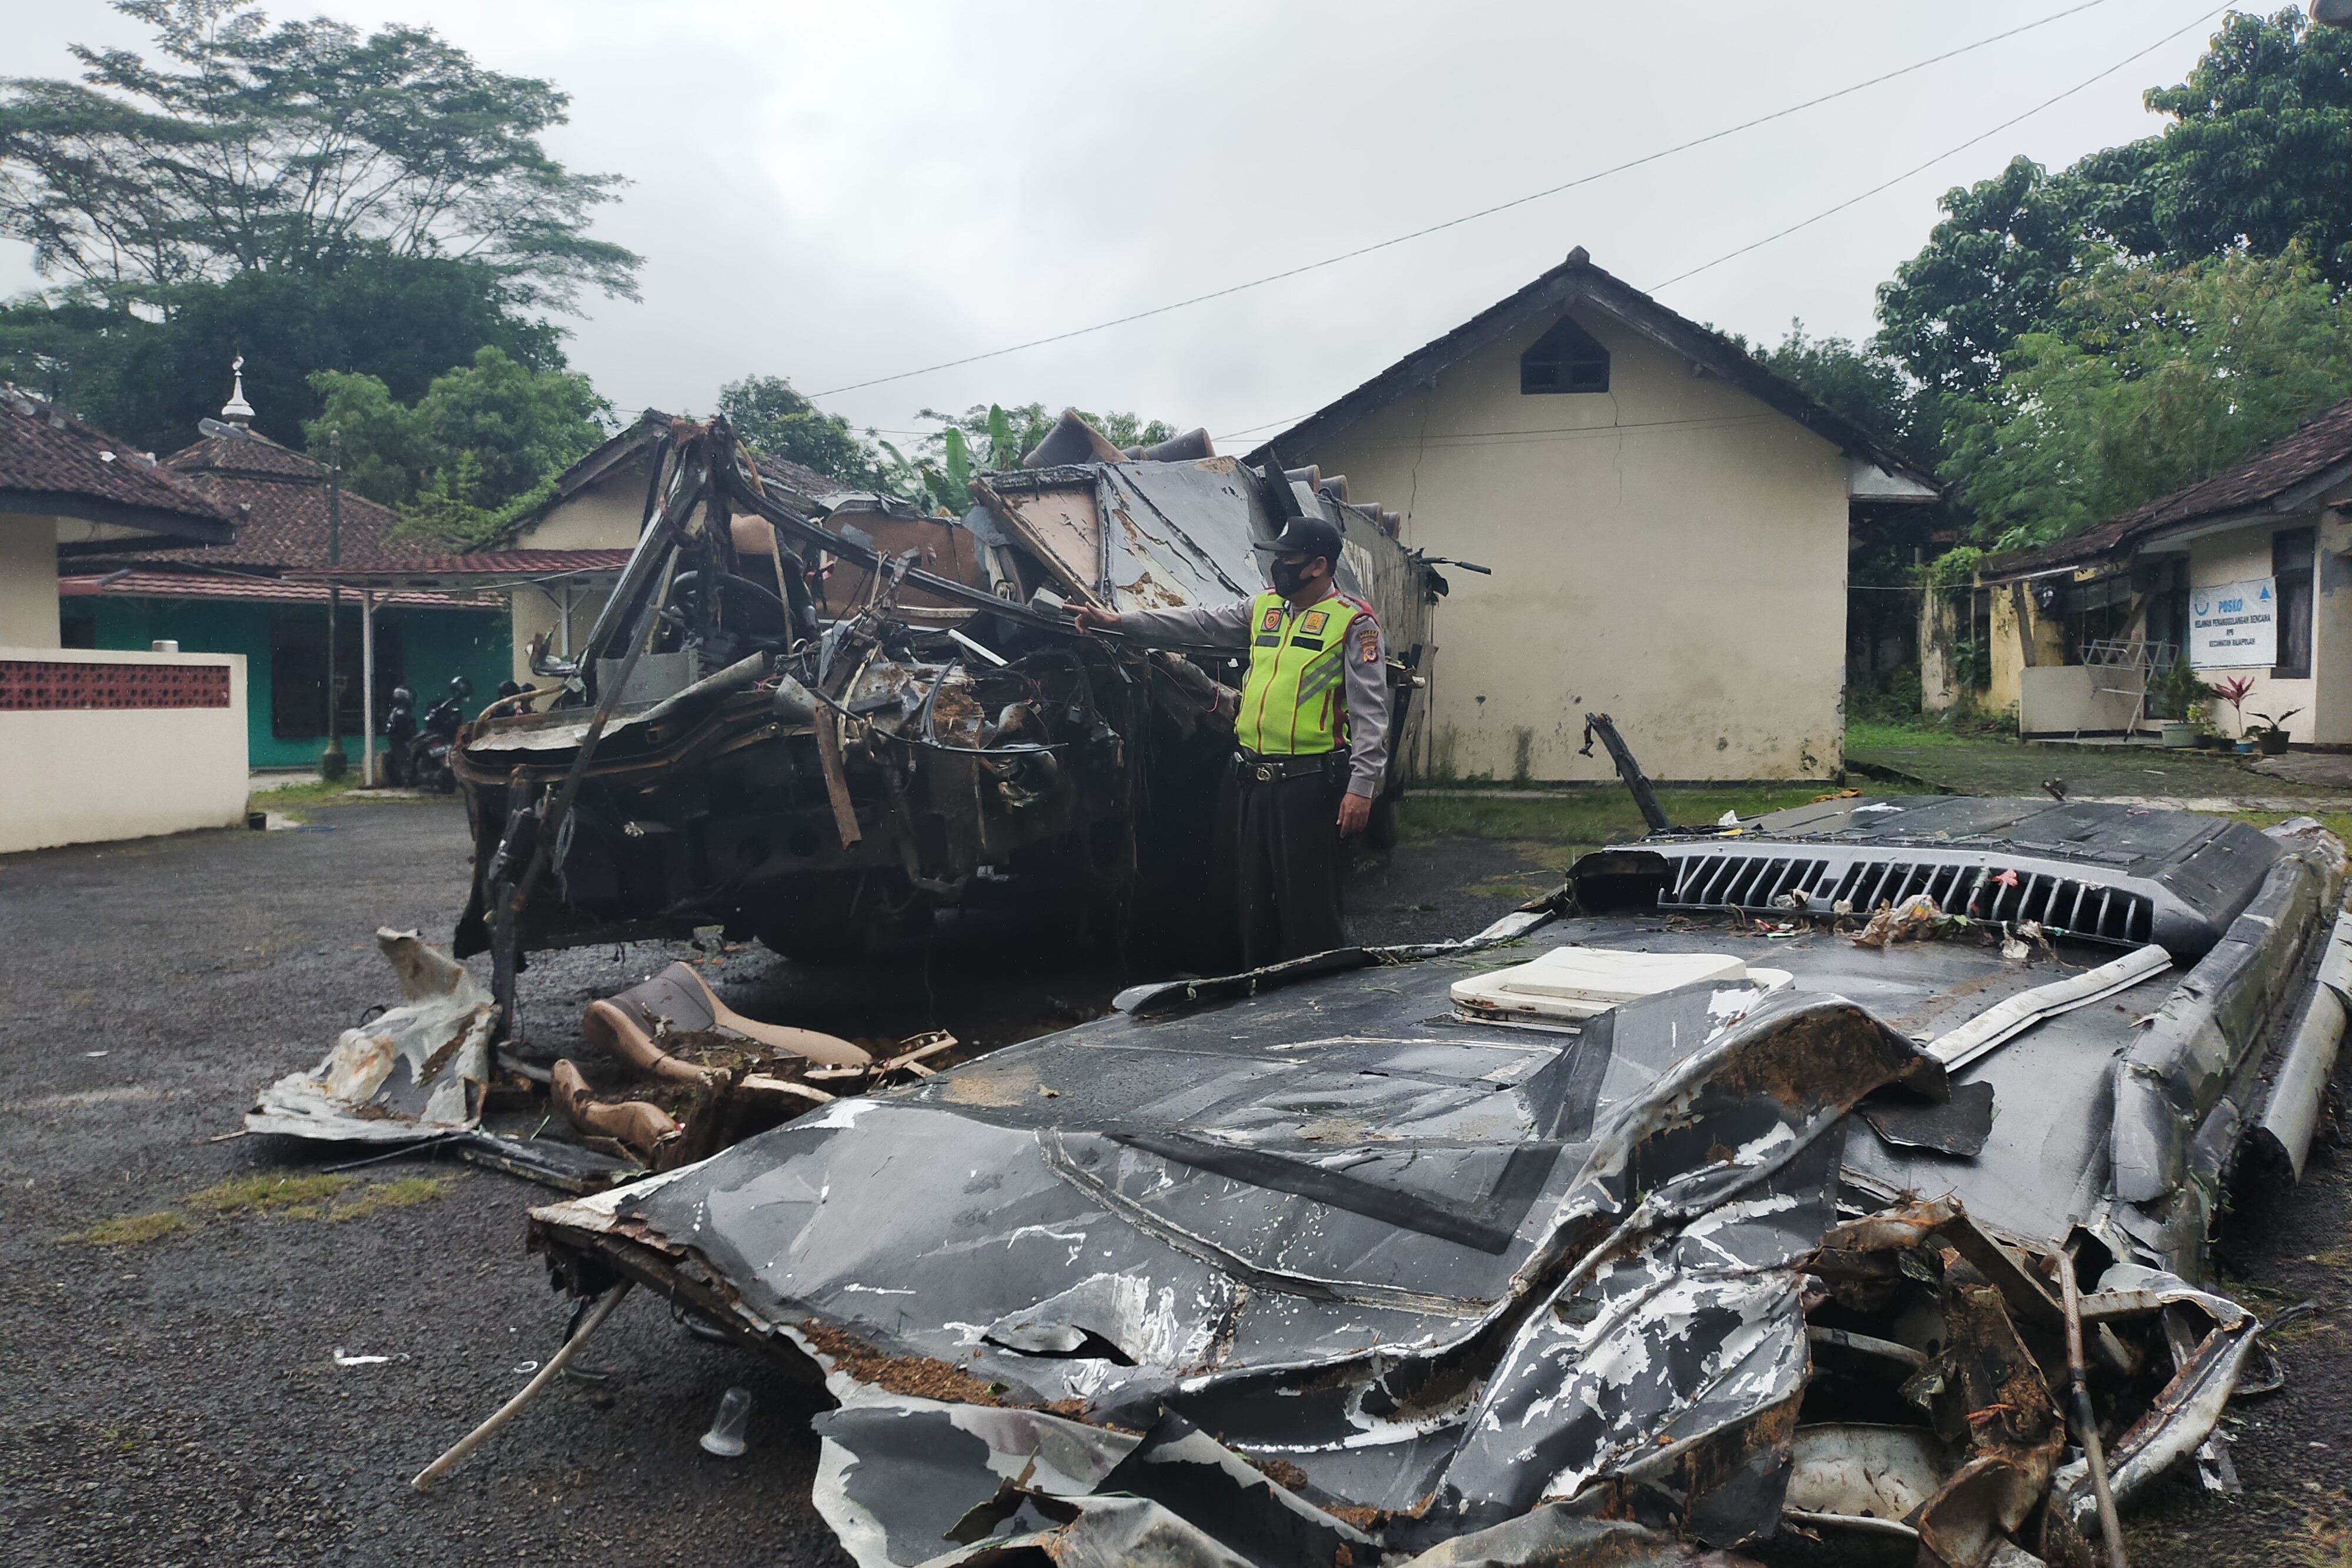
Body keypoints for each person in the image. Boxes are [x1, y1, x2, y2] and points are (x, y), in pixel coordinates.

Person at [1074, 514, 1389, 967]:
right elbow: (1196, 624)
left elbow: (1370, 712)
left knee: (1311, 914)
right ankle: (1259, 1011)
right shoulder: (1265, 608)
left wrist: (1362, 788)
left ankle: (1323, 1015)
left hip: (1308, 787)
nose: (1277, 567)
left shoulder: (1354, 623)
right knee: (1253, 908)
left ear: (1319, 565)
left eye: (1288, 558)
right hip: (1252, 782)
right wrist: (1122, 622)